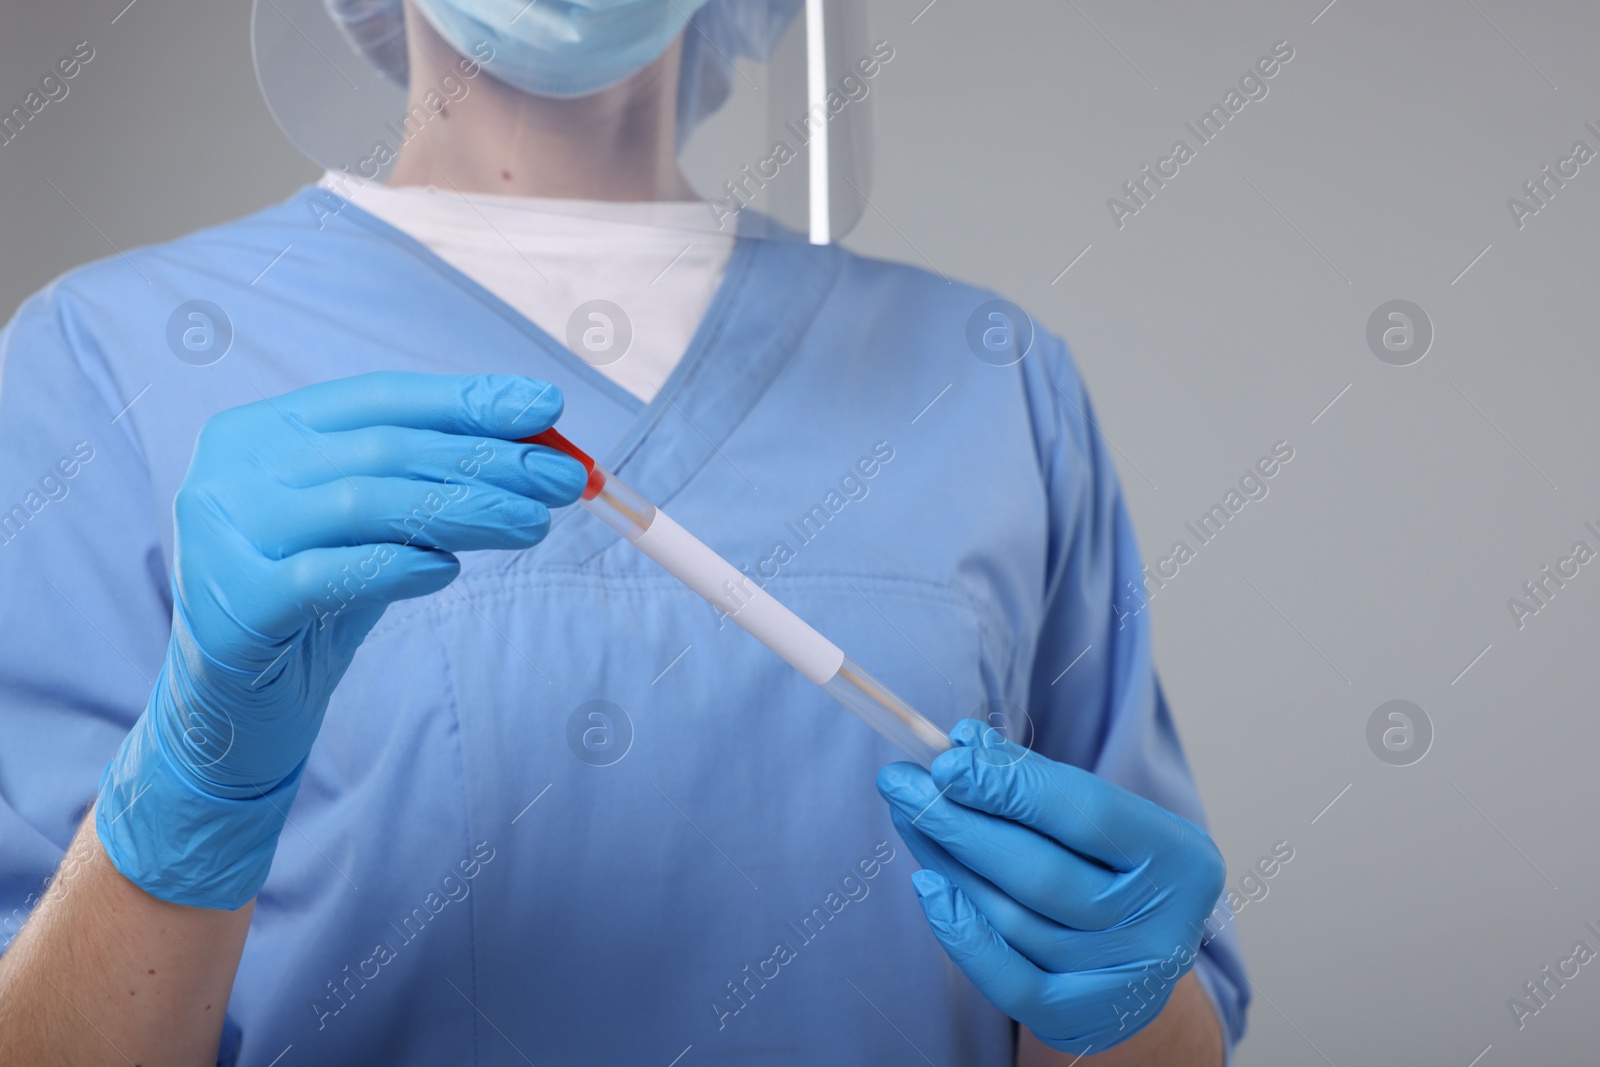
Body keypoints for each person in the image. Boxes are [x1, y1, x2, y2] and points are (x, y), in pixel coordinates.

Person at [0, 1, 1248, 1063]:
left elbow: (1142, 999)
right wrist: (194, 781)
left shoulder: (987, 377)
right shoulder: (106, 359)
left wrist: (1125, 994)